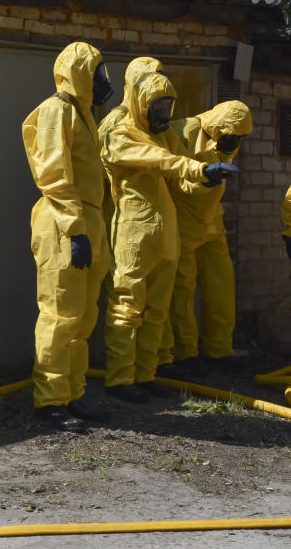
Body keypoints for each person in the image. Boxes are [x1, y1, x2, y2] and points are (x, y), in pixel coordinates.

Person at [99, 71, 237, 403]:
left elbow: (181, 174)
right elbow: (159, 160)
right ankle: (120, 379)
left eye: (166, 105)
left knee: (158, 308)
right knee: (126, 305)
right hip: (132, 227)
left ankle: (145, 374)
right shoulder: (120, 133)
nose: (162, 112)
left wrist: (204, 177)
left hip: (166, 226)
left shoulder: (163, 137)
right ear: (139, 102)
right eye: (155, 105)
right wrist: (195, 170)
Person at [21, 41, 114, 433]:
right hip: (64, 223)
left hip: (86, 221)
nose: (103, 81)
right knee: (60, 316)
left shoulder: (82, 114)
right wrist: (76, 230)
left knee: (82, 317)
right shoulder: (56, 111)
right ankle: (51, 400)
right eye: (96, 73)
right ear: (80, 73)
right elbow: (54, 176)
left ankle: (72, 394)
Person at [158, 101, 252, 375]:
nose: (235, 143)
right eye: (232, 137)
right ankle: (185, 354)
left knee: (222, 286)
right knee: (182, 290)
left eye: (239, 138)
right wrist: (203, 179)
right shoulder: (181, 132)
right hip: (184, 221)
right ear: (217, 127)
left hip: (212, 220)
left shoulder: (230, 136)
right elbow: (171, 174)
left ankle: (219, 351)